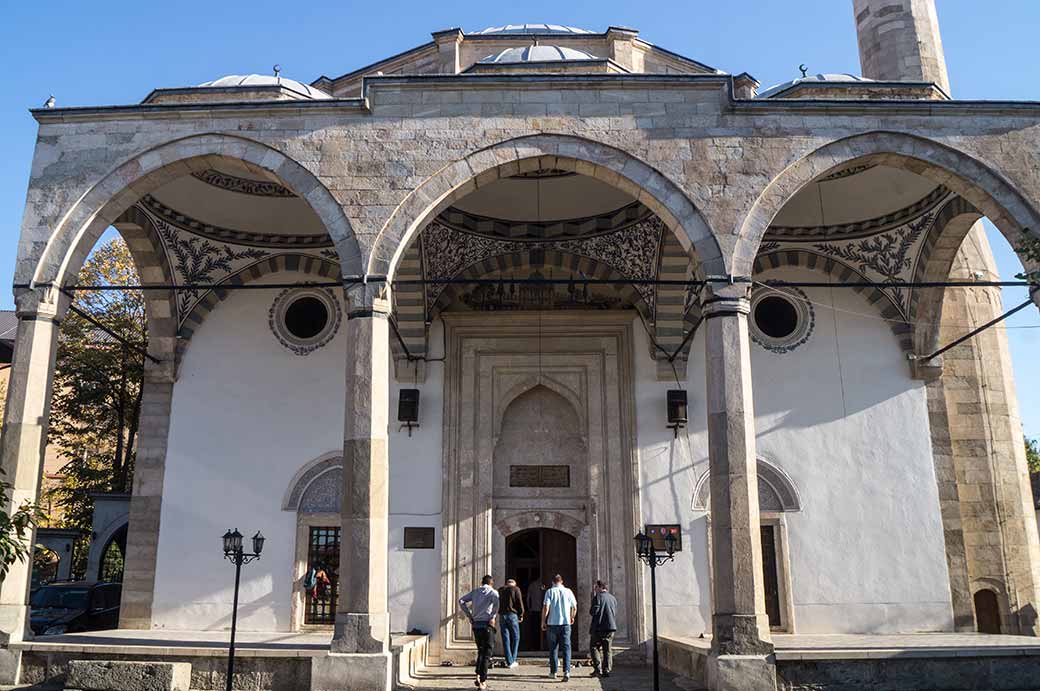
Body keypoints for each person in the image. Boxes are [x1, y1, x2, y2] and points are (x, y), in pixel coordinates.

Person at [459, 575, 500, 690]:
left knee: (481, 651)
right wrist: (492, 616)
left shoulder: (475, 592)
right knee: (487, 653)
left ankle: (477, 675)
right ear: (491, 583)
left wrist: (469, 615)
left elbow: (461, 601)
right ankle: (483, 681)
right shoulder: (493, 592)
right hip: (487, 625)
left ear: (482, 582)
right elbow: (497, 606)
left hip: (476, 625)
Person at [540, 574, 577, 681]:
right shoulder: (568, 591)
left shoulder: (550, 592)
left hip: (552, 624)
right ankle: (566, 672)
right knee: (566, 648)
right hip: (565, 624)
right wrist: (572, 617)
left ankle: (553, 672)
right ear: (562, 581)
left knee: (553, 649)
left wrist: (543, 621)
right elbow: (574, 606)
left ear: (553, 582)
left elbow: (546, 607)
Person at [589, 580, 618, 678]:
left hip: (599, 628)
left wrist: (593, 608)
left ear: (600, 587)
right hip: (610, 627)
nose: (595, 589)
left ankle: (597, 669)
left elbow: (594, 611)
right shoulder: (613, 598)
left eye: (595, 587)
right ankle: (607, 670)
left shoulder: (597, 597)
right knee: (607, 650)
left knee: (594, 647)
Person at [497, 578, 525, 669]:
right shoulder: (516, 589)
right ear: (514, 584)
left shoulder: (500, 590)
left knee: (506, 638)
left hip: (502, 616)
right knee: (516, 637)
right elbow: (519, 602)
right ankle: (513, 659)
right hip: (512, 615)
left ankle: (509, 661)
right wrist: (521, 614)